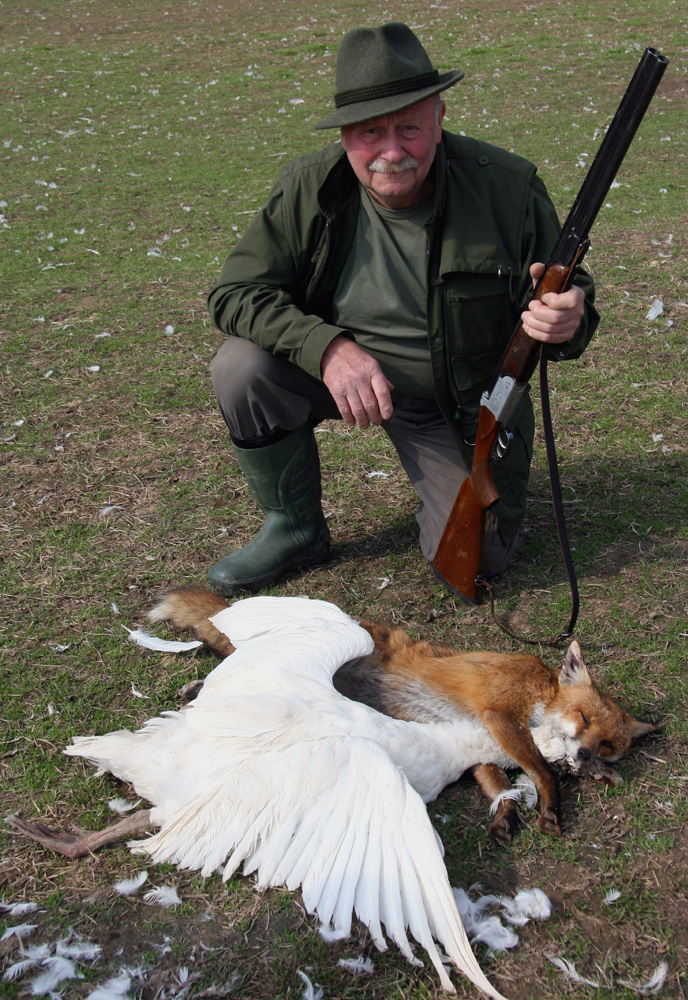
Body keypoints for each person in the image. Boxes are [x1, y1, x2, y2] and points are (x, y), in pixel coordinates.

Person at [206, 21, 598, 598]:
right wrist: (329, 348)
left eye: (409, 127)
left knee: (476, 563)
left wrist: (566, 320)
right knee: (239, 368)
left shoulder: (508, 189)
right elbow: (234, 295)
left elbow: (568, 296)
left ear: (439, 119)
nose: (392, 151)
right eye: (371, 133)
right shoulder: (308, 188)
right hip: (339, 376)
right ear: (345, 137)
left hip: (457, 406)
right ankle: (293, 529)